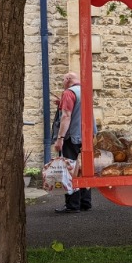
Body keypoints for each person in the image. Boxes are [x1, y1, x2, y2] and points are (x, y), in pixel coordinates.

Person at [52, 72, 92, 213]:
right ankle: (85, 202)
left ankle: (72, 205)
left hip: (72, 136)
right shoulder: (86, 91)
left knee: (69, 169)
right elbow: (80, 111)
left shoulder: (68, 93)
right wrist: (61, 104)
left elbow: (66, 116)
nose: (63, 82)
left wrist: (60, 138)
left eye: (63, 79)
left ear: (68, 79)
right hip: (87, 135)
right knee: (84, 169)